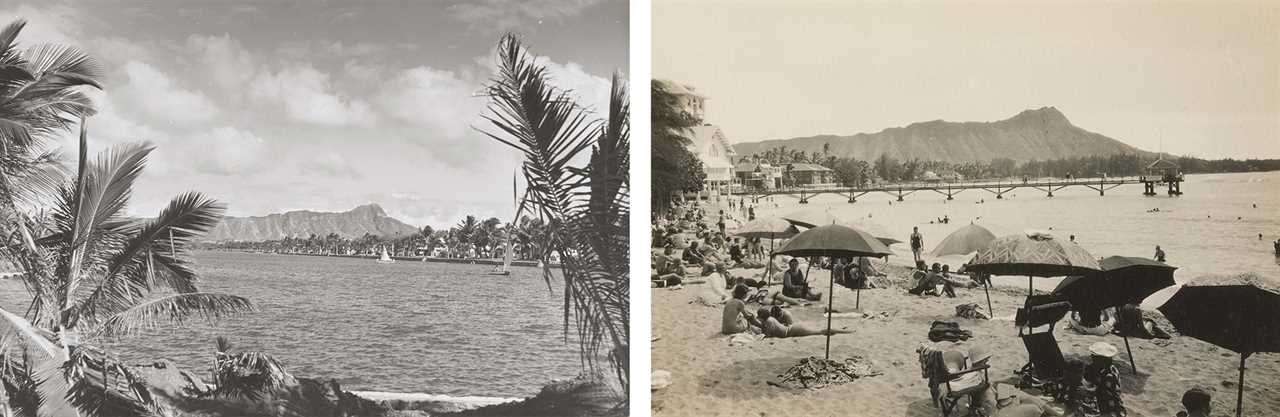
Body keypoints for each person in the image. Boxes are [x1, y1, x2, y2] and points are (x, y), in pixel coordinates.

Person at [1083, 342, 1125, 417]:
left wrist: (1084, 389)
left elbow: (1099, 390)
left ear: (1102, 360)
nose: (1091, 358)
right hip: (1103, 398)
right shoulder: (1106, 368)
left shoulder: (1109, 376)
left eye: (1095, 357)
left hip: (1110, 403)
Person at [759, 305, 851, 338]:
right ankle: (842, 330)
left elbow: (767, 335)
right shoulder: (770, 320)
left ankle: (844, 331)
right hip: (793, 329)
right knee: (820, 331)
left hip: (793, 330)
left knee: (821, 331)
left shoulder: (769, 321)